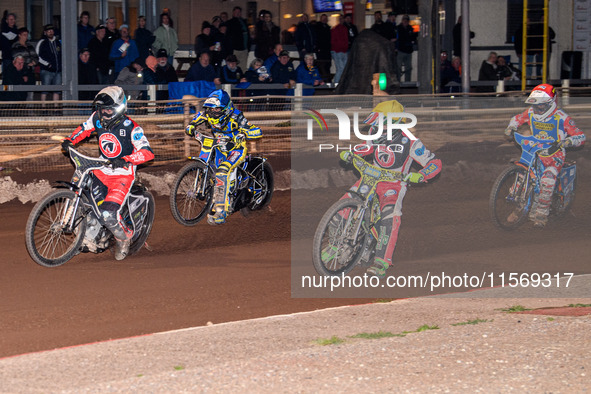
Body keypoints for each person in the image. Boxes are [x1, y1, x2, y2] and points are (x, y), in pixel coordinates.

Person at [338, 100, 442, 277]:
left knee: (389, 214)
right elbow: (366, 148)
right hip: (370, 178)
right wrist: (351, 153)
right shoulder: (374, 133)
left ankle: (381, 261)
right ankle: (335, 245)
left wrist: (422, 175)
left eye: (380, 123)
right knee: (343, 206)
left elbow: (434, 162)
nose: (376, 126)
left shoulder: (411, 142)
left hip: (393, 185)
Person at [61, 86, 154, 260]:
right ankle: (89, 233)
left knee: (108, 214)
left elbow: (148, 152)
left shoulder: (132, 127)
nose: (105, 113)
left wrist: (126, 159)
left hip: (122, 175)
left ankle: (124, 237)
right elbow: (84, 128)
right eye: (102, 109)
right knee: (88, 202)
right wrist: (70, 140)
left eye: (109, 109)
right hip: (101, 169)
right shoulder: (96, 118)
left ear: (119, 107)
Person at [504, 84, 585, 227]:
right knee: (522, 175)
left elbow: (581, 136)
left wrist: (568, 141)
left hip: (555, 155)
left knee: (547, 180)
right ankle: (518, 209)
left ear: (550, 103)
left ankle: (541, 214)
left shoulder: (562, 118)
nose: (537, 109)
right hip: (535, 151)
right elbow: (516, 118)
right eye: (536, 106)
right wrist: (511, 127)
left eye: (541, 106)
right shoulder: (530, 112)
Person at [184, 89, 262, 224]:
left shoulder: (237, 116)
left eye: (216, 109)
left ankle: (221, 211)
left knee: (222, 171)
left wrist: (244, 134)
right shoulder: (207, 114)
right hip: (219, 147)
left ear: (225, 109)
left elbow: (257, 131)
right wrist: (191, 126)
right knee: (212, 171)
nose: (212, 112)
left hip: (236, 149)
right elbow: (197, 118)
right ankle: (216, 196)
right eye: (210, 109)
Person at [36, 24, 62, 102]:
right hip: (46, 70)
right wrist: (47, 64)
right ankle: (44, 108)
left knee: (57, 90)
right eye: (48, 31)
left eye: (52, 30)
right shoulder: (42, 42)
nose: (50, 32)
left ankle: (55, 108)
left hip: (57, 71)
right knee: (45, 90)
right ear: (45, 32)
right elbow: (37, 56)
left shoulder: (58, 42)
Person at [11, 27, 38, 95]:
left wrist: (34, 62)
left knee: (31, 89)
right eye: (24, 35)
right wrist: (27, 63)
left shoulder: (29, 46)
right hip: (20, 71)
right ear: (19, 35)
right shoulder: (16, 46)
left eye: (27, 35)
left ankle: (30, 104)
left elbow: (35, 56)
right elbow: (16, 57)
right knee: (21, 91)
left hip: (30, 70)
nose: (26, 37)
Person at [396, 15, 417, 82]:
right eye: (404, 20)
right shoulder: (398, 29)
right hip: (400, 50)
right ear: (402, 21)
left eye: (407, 20)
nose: (405, 22)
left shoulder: (411, 29)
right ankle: (398, 82)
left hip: (408, 51)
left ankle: (407, 82)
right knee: (398, 68)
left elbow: (414, 38)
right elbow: (396, 39)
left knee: (408, 68)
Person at [331, 15, 348, 84]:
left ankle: (337, 83)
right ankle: (336, 83)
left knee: (342, 69)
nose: (341, 20)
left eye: (342, 19)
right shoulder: (336, 29)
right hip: (338, 51)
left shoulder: (343, 29)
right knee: (341, 69)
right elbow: (333, 41)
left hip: (342, 50)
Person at [314, 14, 332, 82]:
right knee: (321, 66)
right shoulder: (317, 27)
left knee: (327, 65)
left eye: (325, 18)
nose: (324, 20)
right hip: (321, 50)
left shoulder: (328, 28)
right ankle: (323, 80)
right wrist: (317, 48)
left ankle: (327, 80)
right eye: (323, 18)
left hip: (327, 50)